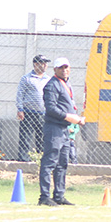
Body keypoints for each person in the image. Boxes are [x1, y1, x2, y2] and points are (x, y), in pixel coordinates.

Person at [39, 57, 84, 206]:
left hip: (65, 129)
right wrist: (69, 116)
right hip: (54, 128)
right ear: (55, 70)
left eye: (66, 67)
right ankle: (44, 197)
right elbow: (51, 109)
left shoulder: (66, 83)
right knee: (50, 161)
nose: (64, 70)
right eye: (61, 67)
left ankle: (59, 195)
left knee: (62, 163)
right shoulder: (52, 85)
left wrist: (74, 118)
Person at [15, 54, 50, 162]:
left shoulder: (48, 79)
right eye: (42, 63)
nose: (45, 66)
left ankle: (41, 158)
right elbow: (20, 94)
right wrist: (20, 109)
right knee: (25, 137)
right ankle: (23, 159)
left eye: (45, 64)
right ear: (36, 64)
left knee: (42, 137)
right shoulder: (26, 78)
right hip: (28, 112)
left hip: (43, 113)